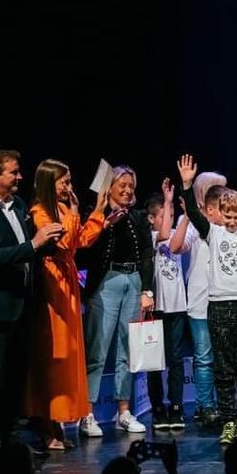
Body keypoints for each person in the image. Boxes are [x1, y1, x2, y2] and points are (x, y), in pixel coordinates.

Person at [0, 150, 64, 462]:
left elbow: (27, 251)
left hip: (22, 306)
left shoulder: (19, 205)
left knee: (15, 378)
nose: (20, 176)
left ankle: (12, 443)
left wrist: (47, 243)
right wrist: (34, 244)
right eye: (14, 172)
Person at [179, 149, 237, 444]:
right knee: (223, 369)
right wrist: (187, 185)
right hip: (219, 307)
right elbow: (194, 213)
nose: (232, 221)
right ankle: (228, 421)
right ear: (220, 212)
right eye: (228, 216)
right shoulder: (212, 233)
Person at [26, 159, 106, 450]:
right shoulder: (39, 212)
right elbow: (63, 243)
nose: (70, 187)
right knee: (55, 354)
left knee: (70, 351)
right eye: (65, 182)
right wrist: (74, 213)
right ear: (50, 183)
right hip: (52, 281)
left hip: (67, 279)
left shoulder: (62, 209)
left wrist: (98, 212)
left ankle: (58, 424)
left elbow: (80, 240)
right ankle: (47, 425)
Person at [79, 165, 156, 437]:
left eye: (130, 186)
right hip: (106, 282)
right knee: (98, 350)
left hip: (132, 281)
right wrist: (105, 221)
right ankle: (87, 414)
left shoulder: (138, 216)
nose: (127, 190)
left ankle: (124, 411)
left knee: (127, 350)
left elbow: (147, 254)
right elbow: (85, 250)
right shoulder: (96, 215)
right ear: (109, 187)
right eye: (122, 185)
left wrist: (147, 291)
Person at [168, 171, 227, 428]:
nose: (223, 194)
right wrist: (186, 216)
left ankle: (224, 404)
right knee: (204, 357)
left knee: (224, 358)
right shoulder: (193, 222)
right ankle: (206, 406)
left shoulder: (229, 222)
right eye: (217, 189)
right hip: (201, 299)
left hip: (225, 299)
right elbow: (175, 247)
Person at [145, 181, 188, 432]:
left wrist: (186, 215)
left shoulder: (174, 234)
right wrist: (169, 201)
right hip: (157, 308)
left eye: (171, 215)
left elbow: (177, 244)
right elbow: (163, 237)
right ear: (152, 219)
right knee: (155, 362)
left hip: (177, 307)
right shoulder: (151, 236)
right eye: (164, 216)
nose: (169, 220)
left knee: (176, 359)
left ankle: (176, 406)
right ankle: (158, 407)